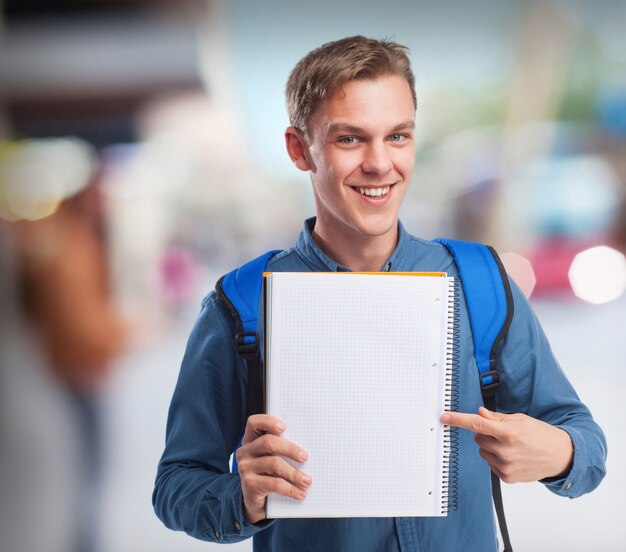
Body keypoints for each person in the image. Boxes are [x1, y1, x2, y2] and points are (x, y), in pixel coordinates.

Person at [153, 36, 606, 551]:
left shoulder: (480, 283)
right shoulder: (242, 305)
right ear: (300, 149)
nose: (380, 163)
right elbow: (176, 485)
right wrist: (244, 494)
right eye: (350, 139)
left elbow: (584, 440)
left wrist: (562, 452)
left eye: (397, 136)